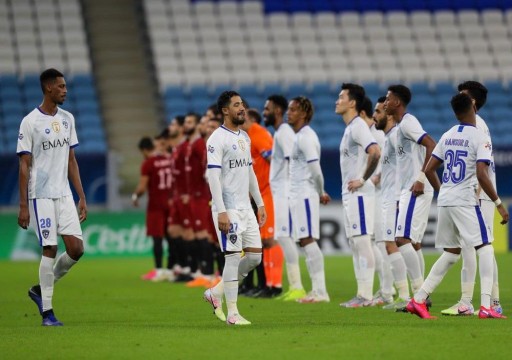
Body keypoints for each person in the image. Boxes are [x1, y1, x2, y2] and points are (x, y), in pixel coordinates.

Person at [406, 93, 508, 319]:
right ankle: (486, 307)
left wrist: (444, 191)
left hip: (445, 201)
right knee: (485, 247)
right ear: (473, 105)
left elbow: (430, 168)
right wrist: (499, 204)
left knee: (452, 253)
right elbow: (482, 174)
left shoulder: (448, 134)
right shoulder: (480, 136)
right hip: (464, 200)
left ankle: (418, 299)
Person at [18, 68, 86, 326]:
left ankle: (39, 289)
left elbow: (71, 159)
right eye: (60, 86)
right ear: (48, 88)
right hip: (41, 195)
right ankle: (47, 312)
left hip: (64, 194)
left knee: (77, 249)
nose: (65, 90)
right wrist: (23, 205)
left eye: (65, 86)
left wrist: (81, 195)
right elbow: (24, 165)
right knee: (51, 247)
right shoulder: (30, 121)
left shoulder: (68, 119)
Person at [203, 90, 266, 325]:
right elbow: (214, 178)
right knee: (232, 257)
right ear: (225, 110)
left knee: (254, 258)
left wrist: (259, 203)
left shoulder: (244, 137)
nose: (242, 108)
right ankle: (233, 313)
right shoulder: (216, 140)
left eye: (243, 104)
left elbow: (250, 172)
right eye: (237, 105)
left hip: (246, 208)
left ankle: (215, 292)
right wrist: (221, 210)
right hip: (228, 208)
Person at [441, 81, 503, 316]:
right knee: (480, 246)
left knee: (478, 247)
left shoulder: (478, 125)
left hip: (478, 196)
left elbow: (481, 165)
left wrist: (476, 194)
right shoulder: (476, 125)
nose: (458, 99)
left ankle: (472, 302)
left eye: (462, 96)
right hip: (478, 195)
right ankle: (487, 302)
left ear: (472, 102)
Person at [384, 84, 436, 296]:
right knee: (411, 242)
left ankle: (419, 294)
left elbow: (433, 145)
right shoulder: (397, 130)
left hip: (417, 188)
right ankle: (420, 296)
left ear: (397, 102)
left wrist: (421, 178)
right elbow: (403, 167)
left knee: (402, 239)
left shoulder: (408, 122)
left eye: (388, 99)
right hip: (407, 190)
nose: (385, 102)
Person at [336, 84, 381, 307]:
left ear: (352, 103)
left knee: (363, 242)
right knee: (356, 243)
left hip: (360, 194)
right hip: (351, 194)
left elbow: (375, 151)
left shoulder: (358, 127)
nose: (337, 101)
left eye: (341, 97)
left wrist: (363, 179)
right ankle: (364, 293)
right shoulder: (350, 128)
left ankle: (366, 295)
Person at [287, 96, 331, 303]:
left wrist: (321, 191)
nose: (289, 113)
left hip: (305, 193)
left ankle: (320, 291)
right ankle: (317, 290)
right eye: (289, 109)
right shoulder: (299, 136)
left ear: (304, 114)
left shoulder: (305, 137)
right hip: (299, 194)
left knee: (308, 240)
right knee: (305, 241)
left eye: (294, 110)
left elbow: (316, 169)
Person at [263, 94, 306, 301]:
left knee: (285, 237)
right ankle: (294, 286)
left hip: (286, 193)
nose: (264, 113)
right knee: (283, 237)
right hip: (280, 192)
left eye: (267, 108)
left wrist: (291, 191)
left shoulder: (284, 132)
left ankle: (297, 286)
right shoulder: (280, 133)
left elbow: (293, 160)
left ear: (277, 111)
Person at [241, 108, 284, 298]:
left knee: (269, 240)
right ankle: (268, 284)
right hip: (261, 193)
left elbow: (273, 158)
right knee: (263, 241)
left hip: (268, 193)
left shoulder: (258, 134)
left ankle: (275, 285)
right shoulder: (250, 135)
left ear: (249, 118)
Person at [373, 96, 411, 310]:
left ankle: (406, 296)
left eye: (378, 112)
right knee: (392, 245)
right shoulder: (388, 138)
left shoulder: (397, 136)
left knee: (392, 244)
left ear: (387, 114)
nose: (374, 117)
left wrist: (399, 196)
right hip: (388, 197)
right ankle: (407, 295)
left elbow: (408, 163)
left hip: (395, 197)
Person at [359, 96, 395, 306]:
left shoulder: (381, 136)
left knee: (383, 245)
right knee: (378, 243)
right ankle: (385, 290)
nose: (374, 114)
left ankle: (388, 292)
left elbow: (384, 162)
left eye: (378, 110)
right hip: (376, 195)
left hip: (383, 195)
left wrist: (374, 177)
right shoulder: (374, 134)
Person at [181, 113, 219, 288]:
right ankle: (206, 273)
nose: (186, 125)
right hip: (198, 196)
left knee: (208, 236)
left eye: (190, 122)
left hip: (205, 197)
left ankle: (211, 274)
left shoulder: (199, 146)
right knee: (204, 236)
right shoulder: (196, 145)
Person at [132, 136, 174, 282]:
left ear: (144, 150)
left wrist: (135, 196)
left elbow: (142, 188)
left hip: (156, 205)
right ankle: (171, 269)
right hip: (171, 203)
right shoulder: (169, 160)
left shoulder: (148, 163)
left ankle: (159, 270)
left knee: (157, 239)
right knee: (172, 238)